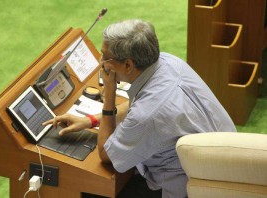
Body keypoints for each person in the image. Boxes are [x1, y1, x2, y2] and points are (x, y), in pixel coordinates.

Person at [43, 19, 236, 198]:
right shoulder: (169, 62)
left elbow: (106, 154)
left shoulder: (148, 115)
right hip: (222, 165)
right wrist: (90, 120)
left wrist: (109, 94)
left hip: (188, 188)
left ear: (128, 64)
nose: (101, 62)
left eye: (105, 57)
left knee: (90, 189)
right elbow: (142, 104)